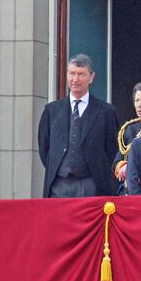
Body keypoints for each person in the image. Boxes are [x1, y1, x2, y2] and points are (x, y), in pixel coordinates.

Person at [38, 54, 119, 198]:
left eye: (81, 74)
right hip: (58, 185)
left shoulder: (106, 111)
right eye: (72, 73)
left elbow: (112, 149)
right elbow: (45, 148)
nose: (75, 79)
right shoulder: (52, 110)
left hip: (92, 185)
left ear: (91, 77)